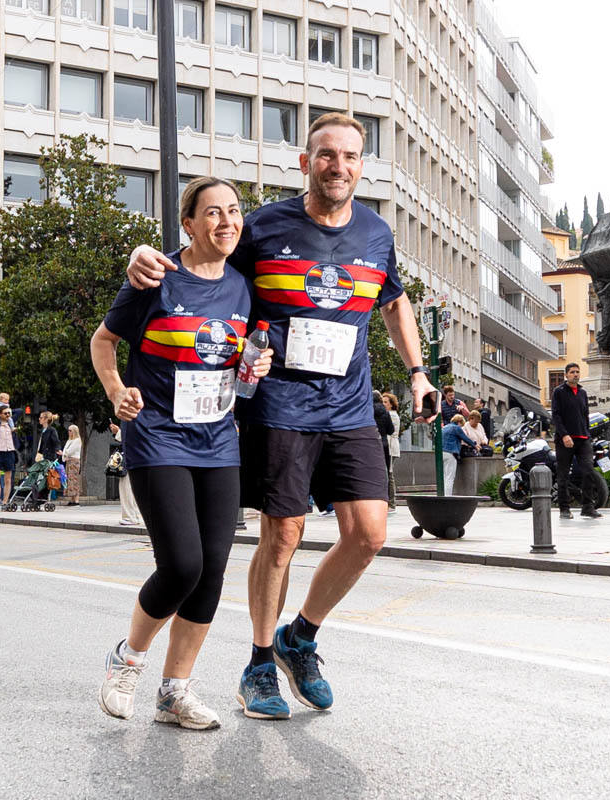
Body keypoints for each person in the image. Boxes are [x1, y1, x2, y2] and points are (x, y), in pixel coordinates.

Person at [126, 112, 436, 720]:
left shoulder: (376, 232)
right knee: (282, 537)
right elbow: (202, 259)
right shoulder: (263, 226)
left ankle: (301, 637)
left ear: (361, 167)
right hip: (281, 406)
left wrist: (417, 371)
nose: (338, 166)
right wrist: (147, 260)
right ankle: (260, 662)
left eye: (349, 157)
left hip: (349, 404)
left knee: (370, 532)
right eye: (326, 155)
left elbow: (395, 303)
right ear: (306, 162)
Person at [91, 176, 272, 731]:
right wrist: (118, 391)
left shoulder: (245, 286)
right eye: (212, 213)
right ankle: (128, 659)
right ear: (188, 224)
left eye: (234, 212)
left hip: (219, 442)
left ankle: (175, 693)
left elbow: (243, 364)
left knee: (212, 571)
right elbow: (103, 342)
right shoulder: (155, 277)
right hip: (158, 437)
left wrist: (253, 370)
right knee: (183, 564)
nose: (226, 222)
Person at [551, 362, 601, 520]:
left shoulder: (582, 392)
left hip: (583, 438)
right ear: (566, 375)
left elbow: (585, 415)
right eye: (572, 372)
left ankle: (587, 507)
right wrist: (564, 435)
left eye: (577, 372)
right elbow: (556, 416)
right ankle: (564, 509)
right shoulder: (558, 392)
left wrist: (588, 435)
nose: (575, 374)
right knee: (563, 475)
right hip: (564, 439)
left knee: (588, 472)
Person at [109, 423, 143, 526]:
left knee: (126, 488)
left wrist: (118, 432)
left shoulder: (132, 419)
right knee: (132, 489)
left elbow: (130, 437)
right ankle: (135, 515)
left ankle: (129, 516)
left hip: (131, 458)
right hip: (138, 458)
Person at [440, 414, 469, 495]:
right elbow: (465, 438)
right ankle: (448, 496)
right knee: (450, 477)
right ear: (459, 422)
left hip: (442, 453)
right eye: (462, 424)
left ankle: (443, 494)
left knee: (445, 476)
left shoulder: (445, 427)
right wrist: (475, 445)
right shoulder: (456, 427)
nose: (461, 426)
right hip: (450, 453)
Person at [382, 392, 401, 511]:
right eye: (382, 402)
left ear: (391, 404)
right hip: (389, 446)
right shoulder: (388, 414)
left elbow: (390, 431)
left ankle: (392, 503)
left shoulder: (392, 415)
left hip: (390, 447)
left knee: (389, 474)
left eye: (386, 402)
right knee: (388, 474)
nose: (383, 404)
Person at [62, 424, 83, 505]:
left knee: (74, 480)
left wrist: (64, 453)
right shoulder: (69, 440)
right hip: (69, 461)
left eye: (70, 430)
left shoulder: (77, 440)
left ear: (74, 431)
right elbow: (66, 451)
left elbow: (69, 451)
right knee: (69, 480)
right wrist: (64, 453)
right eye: (68, 430)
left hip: (74, 462)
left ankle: (76, 500)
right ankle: (72, 499)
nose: (69, 432)